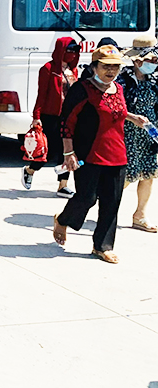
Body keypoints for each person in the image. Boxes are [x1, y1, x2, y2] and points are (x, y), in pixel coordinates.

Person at [53, 45, 149, 264]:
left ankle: (102, 246)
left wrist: (133, 117)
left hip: (117, 154)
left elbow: (117, 112)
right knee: (86, 197)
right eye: (106, 66)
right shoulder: (82, 89)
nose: (111, 71)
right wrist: (68, 152)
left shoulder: (119, 89)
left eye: (115, 67)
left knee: (112, 202)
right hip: (89, 154)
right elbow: (66, 122)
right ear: (95, 66)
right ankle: (63, 219)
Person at [21, 37, 80, 197]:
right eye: (69, 51)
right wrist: (36, 116)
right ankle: (30, 170)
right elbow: (42, 94)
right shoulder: (47, 69)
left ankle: (63, 185)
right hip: (51, 116)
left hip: (68, 116)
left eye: (75, 51)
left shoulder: (72, 70)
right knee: (48, 152)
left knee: (66, 152)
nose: (72, 54)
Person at [118, 36, 158, 233]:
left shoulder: (154, 80)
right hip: (129, 133)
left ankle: (140, 215)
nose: (154, 63)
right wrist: (133, 117)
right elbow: (114, 107)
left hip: (150, 134)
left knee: (149, 173)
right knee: (126, 175)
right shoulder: (122, 80)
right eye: (150, 60)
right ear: (137, 60)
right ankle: (102, 204)